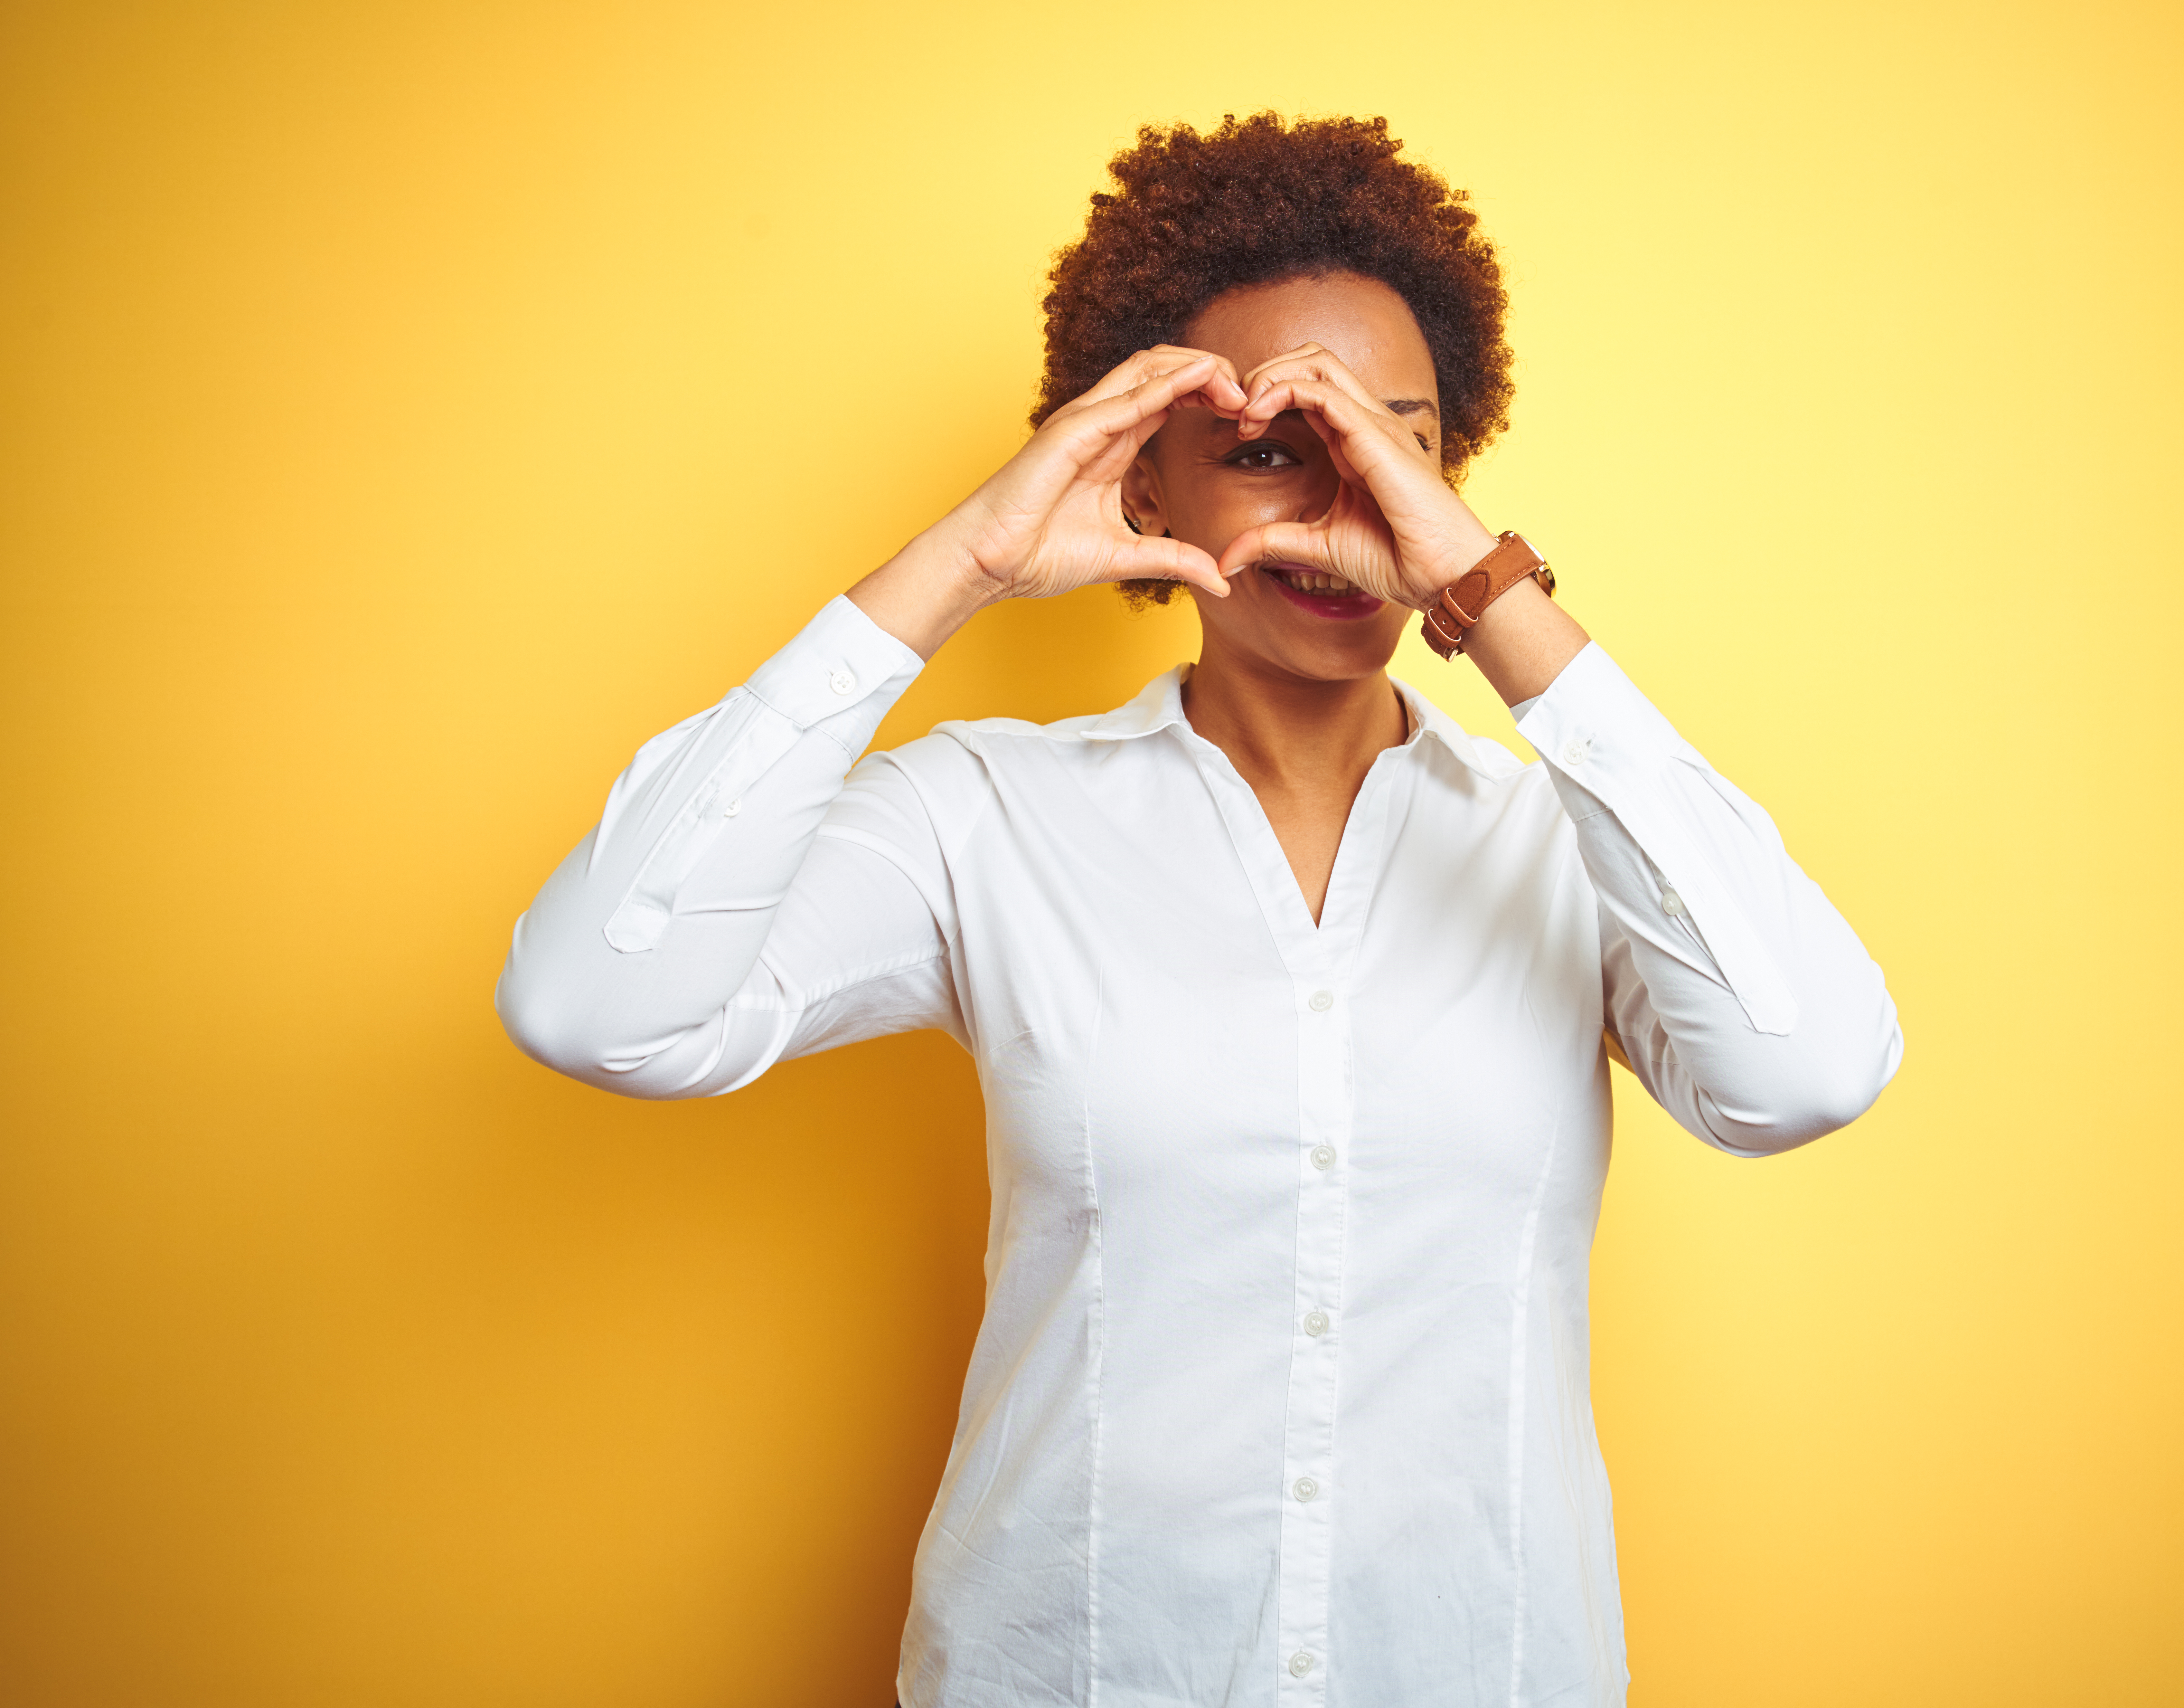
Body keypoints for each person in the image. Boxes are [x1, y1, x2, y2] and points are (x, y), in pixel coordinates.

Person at [497, 112, 1901, 1708]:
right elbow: (596, 1003)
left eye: (1395, 441)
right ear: (1141, 479)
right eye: (1265, 446)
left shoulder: (1572, 844)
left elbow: (1803, 1072)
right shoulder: (991, 818)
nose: (1342, 500)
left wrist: (1492, 598)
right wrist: (959, 560)